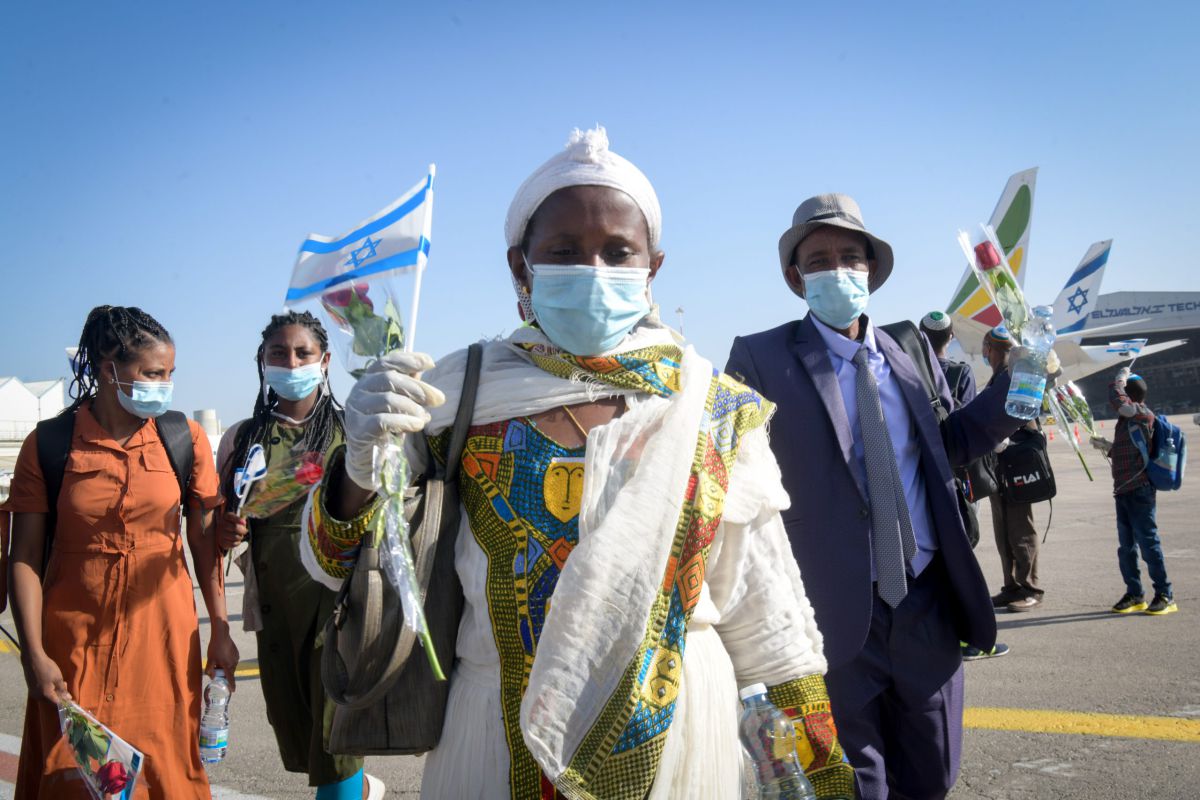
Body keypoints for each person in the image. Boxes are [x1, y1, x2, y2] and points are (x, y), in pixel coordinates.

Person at [303, 127, 855, 799]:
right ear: (520, 265)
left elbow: (766, 611)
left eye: (618, 251)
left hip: (678, 739)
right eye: (565, 251)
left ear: (652, 266)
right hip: (495, 738)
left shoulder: (712, 406)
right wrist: (361, 463)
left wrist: (813, 768)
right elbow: (334, 563)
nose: (594, 269)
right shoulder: (450, 397)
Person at [726, 194, 1021, 800]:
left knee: (933, 771)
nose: (838, 270)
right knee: (856, 782)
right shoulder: (759, 357)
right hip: (828, 610)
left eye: (851, 257)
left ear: (872, 270)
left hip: (925, 601)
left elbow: (951, 442)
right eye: (820, 260)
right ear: (795, 277)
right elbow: (737, 479)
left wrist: (1021, 387)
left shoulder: (909, 350)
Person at [7, 305, 238, 798]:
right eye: (153, 373)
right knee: (73, 776)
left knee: (166, 770)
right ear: (108, 368)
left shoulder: (184, 439)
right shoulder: (48, 444)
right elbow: (23, 557)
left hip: (164, 641)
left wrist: (220, 626)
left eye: (170, 374)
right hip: (72, 644)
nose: (165, 384)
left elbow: (204, 545)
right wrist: (34, 654)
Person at [215, 311, 384, 800]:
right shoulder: (242, 440)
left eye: (302, 353)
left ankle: (352, 788)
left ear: (325, 361)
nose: (290, 362)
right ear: (262, 363)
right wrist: (227, 532)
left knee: (336, 741)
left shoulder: (353, 429)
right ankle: (360, 789)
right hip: (276, 609)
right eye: (278, 353)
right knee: (303, 731)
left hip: (339, 607)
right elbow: (219, 532)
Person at [920, 312, 1010, 660]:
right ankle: (969, 637)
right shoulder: (960, 373)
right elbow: (970, 427)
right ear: (951, 336)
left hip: (922, 477)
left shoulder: (909, 373)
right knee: (963, 551)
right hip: (956, 477)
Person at [1094, 368, 1177, 615]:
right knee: (1127, 547)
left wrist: (1118, 380)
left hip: (1139, 490)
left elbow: (1119, 401)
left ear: (1130, 395)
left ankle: (1165, 594)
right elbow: (1128, 452)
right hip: (1123, 491)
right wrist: (1106, 446)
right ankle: (1135, 593)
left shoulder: (1141, 413)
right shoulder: (1128, 421)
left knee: (1149, 544)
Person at [981, 326, 1045, 613]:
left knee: (1020, 528)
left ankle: (1031, 588)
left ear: (989, 349)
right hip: (1000, 469)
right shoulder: (999, 377)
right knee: (1003, 528)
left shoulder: (1014, 377)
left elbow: (1031, 423)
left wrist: (1008, 439)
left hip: (1016, 465)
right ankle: (1011, 586)